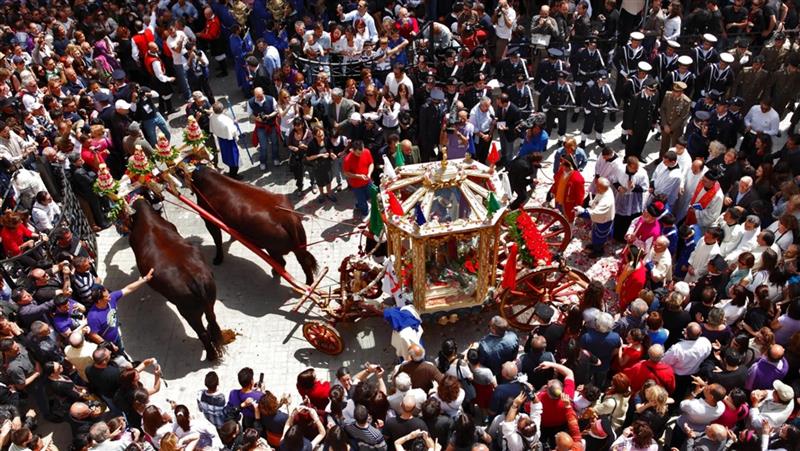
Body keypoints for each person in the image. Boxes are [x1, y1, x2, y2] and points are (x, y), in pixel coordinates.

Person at [86, 269, 154, 354]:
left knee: (121, 351)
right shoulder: (93, 317)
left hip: (116, 336)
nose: (110, 297)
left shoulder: (112, 298)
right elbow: (93, 335)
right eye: (106, 296)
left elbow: (128, 289)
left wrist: (145, 279)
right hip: (109, 345)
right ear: (99, 300)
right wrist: (108, 345)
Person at [575, 177, 615, 257]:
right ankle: (594, 245)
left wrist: (583, 211)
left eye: (597, 187)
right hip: (599, 220)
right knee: (594, 234)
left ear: (601, 188)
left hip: (603, 221)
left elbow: (595, 213)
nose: (596, 188)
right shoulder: (605, 190)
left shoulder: (606, 201)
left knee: (599, 237)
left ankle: (598, 251)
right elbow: (598, 199)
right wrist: (593, 203)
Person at [247, 87, 280, 171]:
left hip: (271, 124)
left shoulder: (271, 99)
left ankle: (275, 158)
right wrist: (256, 118)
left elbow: (276, 110)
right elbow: (250, 115)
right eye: (257, 96)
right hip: (261, 126)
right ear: (254, 95)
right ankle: (263, 162)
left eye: (260, 96)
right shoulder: (250, 102)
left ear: (263, 93)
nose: (259, 98)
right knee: (263, 145)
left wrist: (269, 116)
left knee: (275, 142)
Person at [209, 101, 241, 179]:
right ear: (222, 109)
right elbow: (233, 131)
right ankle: (233, 175)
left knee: (228, 157)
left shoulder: (212, 117)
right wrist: (235, 123)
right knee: (234, 159)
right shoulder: (226, 120)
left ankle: (232, 172)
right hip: (229, 141)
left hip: (221, 139)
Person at [342, 140, 373, 218]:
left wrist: (369, 173)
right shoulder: (347, 159)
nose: (361, 154)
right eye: (359, 153)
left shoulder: (366, 151)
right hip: (357, 185)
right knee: (362, 200)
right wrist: (358, 176)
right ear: (353, 150)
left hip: (368, 181)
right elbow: (346, 173)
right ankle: (365, 213)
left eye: (362, 151)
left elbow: (371, 163)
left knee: (370, 196)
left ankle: (358, 205)